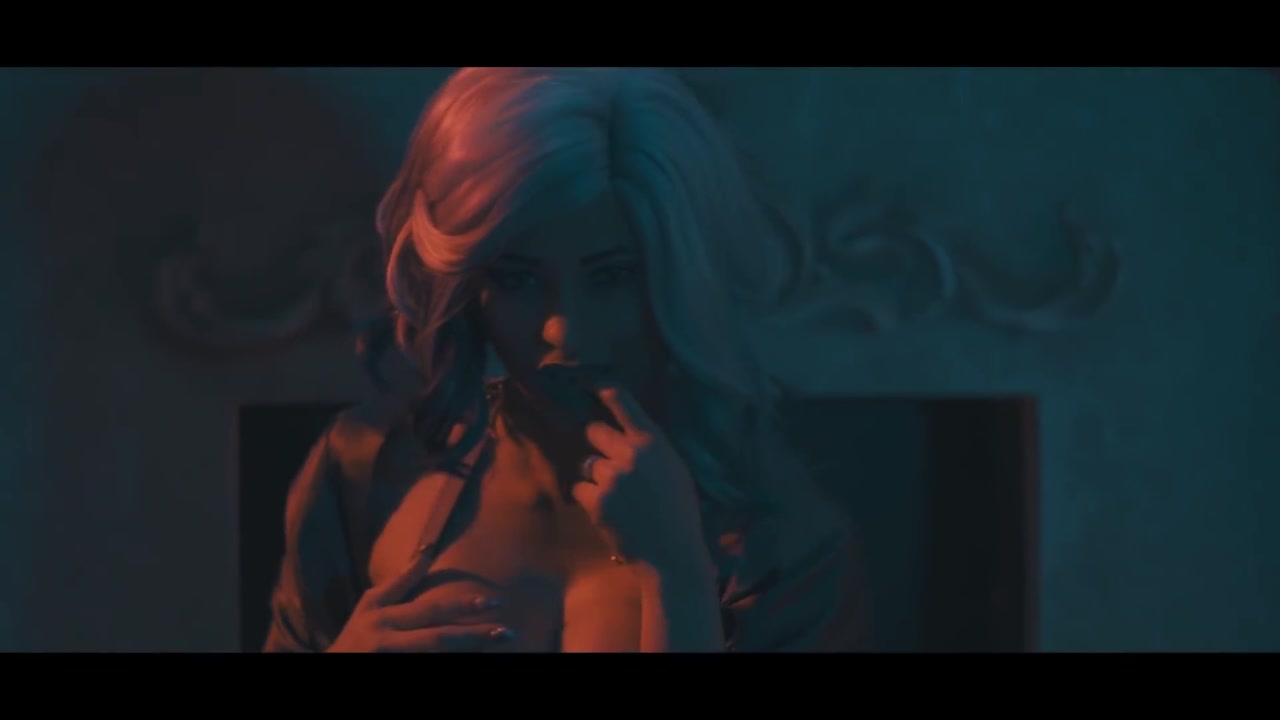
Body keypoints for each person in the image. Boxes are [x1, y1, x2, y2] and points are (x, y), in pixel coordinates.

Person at [262, 67, 869, 653]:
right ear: (466, 282)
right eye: (518, 279)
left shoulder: (783, 536)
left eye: (611, 276)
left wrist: (678, 574)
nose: (564, 330)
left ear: (679, 275)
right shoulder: (366, 470)